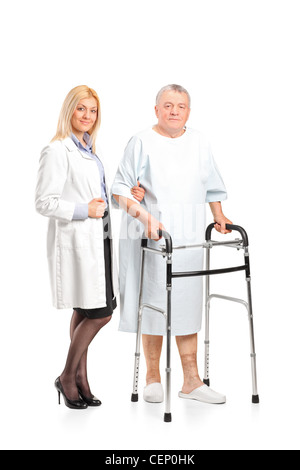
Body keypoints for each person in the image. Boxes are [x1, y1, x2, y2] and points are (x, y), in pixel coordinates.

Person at [112, 84, 232, 405]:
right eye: (167, 105)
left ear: (188, 112)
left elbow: (213, 186)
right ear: (156, 110)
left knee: (188, 306)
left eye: (180, 106)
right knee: (155, 305)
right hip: (155, 236)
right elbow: (120, 190)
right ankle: (153, 377)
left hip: (191, 239)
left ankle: (192, 381)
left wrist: (219, 217)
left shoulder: (199, 142)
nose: (174, 111)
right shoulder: (141, 141)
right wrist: (146, 219)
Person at [35, 85, 144, 409]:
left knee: (86, 309)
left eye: (92, 110)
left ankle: (81, 378)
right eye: (81, 108)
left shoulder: (89, 150)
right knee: (101, 314)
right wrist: (84, 210)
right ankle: (67, 377)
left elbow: (96, 196)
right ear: (69, 110)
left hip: (100, 239)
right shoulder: (57, 150)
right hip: (79, 239)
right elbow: (44, 202)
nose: (87, 115)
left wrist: (124, 198)